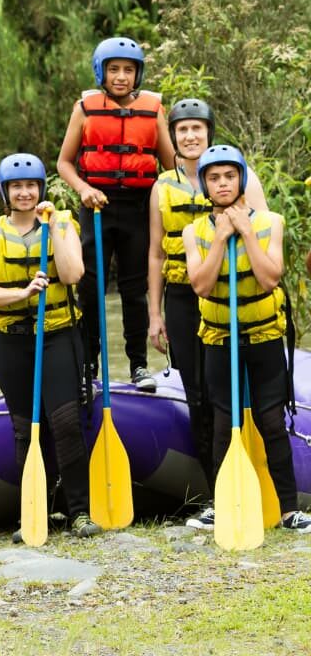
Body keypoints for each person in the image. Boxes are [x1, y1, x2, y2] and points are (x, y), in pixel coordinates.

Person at [183, 144, 311, 532]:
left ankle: (289, 510)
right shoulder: (195, 232)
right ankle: (222, 506)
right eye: (214, 178)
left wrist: (245, 233)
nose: (222, 184)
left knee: (272, 422)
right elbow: (201, 286)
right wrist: (221, 238)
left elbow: (270, 276)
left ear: (241, 179)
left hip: (264, 338)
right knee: (224, 423)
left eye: (229, 176)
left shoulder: (271, 221)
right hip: (221, 341)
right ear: (204, 185)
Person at [0, 153, 100, 539]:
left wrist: (53, 226)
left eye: (31, 186)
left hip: (58, 334)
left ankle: (79, 512)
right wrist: (23, 292)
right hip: (10, 341)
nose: (25, 193)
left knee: (65, 423)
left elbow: (74, 273)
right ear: (5, 192)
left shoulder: (61, 223)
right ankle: (35, 513)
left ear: (41, 189)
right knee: (26, 429)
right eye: (17, 187)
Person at [147, 99, 267, 495]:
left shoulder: (238, 175)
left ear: (209, 132)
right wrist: (154, 314)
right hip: (184, 294)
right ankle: (214, 487)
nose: (190, 135)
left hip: (232, 294)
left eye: (197, 128)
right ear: (173, 137)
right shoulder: (162, 186)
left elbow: (263, 231)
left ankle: (256, 474)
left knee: (231, 386)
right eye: (182, 130)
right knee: (197, 391)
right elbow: (156, 253)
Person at [57, 37, 174, 391]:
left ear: (137, 73)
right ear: (101, 72)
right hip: (96, 207)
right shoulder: (85, 108)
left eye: (128, 69)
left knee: (134, 289)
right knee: (89, 289)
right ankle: (88, 366)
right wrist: (84, 189)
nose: (121, 76)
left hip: (139, 209)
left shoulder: (154, 109)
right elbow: (64, 163)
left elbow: (170, 167)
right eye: (114, 69)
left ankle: (138, 366)